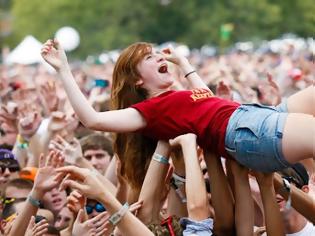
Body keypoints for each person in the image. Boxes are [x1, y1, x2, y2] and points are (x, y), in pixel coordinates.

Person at [41, 39, 315, 190]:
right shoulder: (148, 111)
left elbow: (207, 98)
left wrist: (184, 63)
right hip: (248, 133)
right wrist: (63, 69)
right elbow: (93, 120)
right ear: (137, 80)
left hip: (256, 116)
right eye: (150, 58)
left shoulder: (177, 95)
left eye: (158, 54)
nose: (160, 58)